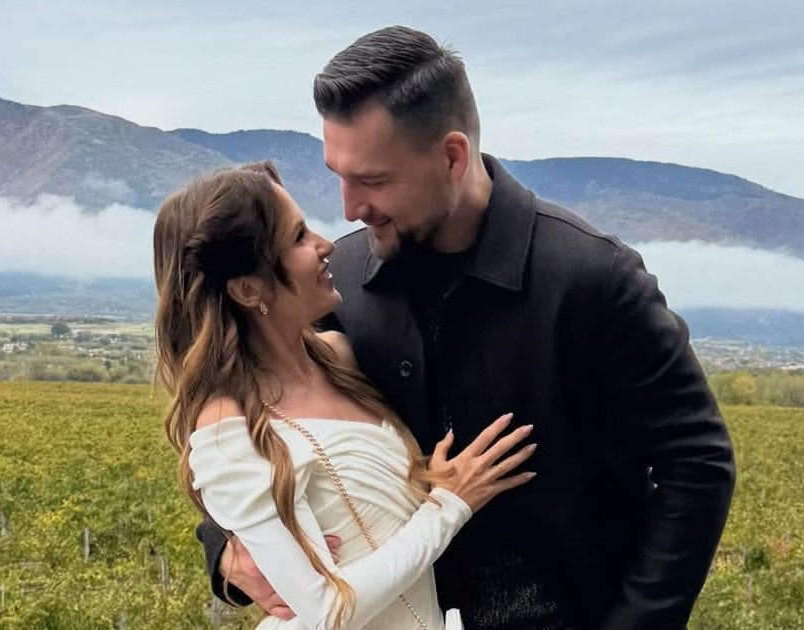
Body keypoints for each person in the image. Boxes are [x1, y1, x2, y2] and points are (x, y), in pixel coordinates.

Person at [200, 26, 736, 630]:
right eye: (338, 176)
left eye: (373, 180)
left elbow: (697, 464)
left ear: (452, 156)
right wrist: (227, 549)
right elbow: (250, 422)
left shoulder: (593, 278)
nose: (349, 207)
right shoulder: (339, 282)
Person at [155, 162, 538, 629]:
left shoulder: (340, 357)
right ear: (249, 289)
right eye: (298, 237)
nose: (326, 244)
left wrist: (425, 485)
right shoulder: (226, 423)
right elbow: (324, 612)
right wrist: (449, 506)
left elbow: (367, 510)